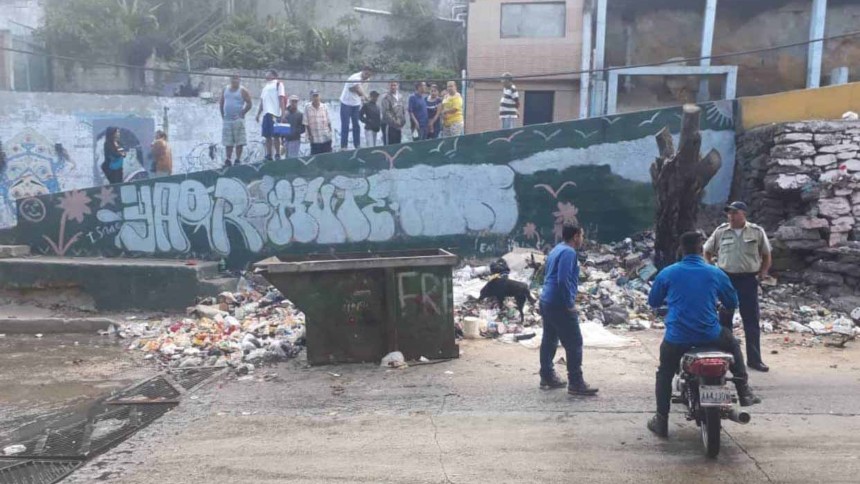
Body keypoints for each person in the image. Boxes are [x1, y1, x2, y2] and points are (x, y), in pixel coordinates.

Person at [647, 231, 760, 438]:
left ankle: (661, 420)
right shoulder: (715, 273)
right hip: (710, 334)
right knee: (732, 343)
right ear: (701, 251)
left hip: (677, 337)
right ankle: (744, 389)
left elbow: (653, 301)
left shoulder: (668, 273)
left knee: (664, 373)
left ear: (681, 250)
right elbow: (732, 302)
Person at [704, 201, 773, 373]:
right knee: (725, 319)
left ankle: (755, 360)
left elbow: (766, 254)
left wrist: (763, 272)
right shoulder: (721, 232)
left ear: (743, 214)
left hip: (748, 280)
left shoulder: (756, 232)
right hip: (726, 279)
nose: (731, 216)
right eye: (729, 213)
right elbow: (707, 250)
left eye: (735, 213)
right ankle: (725, 357)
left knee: (751, 319)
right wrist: (711, 269)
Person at [538, 224, 599, 396]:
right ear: (576, 236)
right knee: (574, 342)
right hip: (559, 303)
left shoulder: (557, 249)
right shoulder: (569, 253)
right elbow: (563, 279)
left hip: (547, 300)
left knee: (549, 338)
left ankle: (547, 375)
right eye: (582, 235)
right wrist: (568, 303)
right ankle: (576, 382)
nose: (583, 239)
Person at [220, 74, 253, 167]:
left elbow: (249, 104)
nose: (235, 81)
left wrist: (242, 113)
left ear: (239, 80)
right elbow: (221, 103)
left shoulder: (243, 90)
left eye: (237, 79)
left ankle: (238, 159)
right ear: (230, 80)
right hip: (227, 119)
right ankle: (228, 159)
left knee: (239, 141)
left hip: (238, 120)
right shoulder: (225, 89)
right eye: (233, 79)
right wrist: (223, 115)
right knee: (228, 141)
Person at [255, 70, 286, 161]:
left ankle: (278, 154)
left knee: (276, 136)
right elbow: (262, 102)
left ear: (273, 75)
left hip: (275, 113)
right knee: (267, 136)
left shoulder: (278, 84)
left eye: (267, 73)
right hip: (266, 114)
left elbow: (281, 99)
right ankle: (269, 154)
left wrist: (283, 114)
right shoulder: (265, 87)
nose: (266, 75)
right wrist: (258, 114)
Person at [340, 66, 372, 150]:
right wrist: (365, 97)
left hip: (356, 104)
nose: (366, 76)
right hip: (346, 104)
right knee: (345, 125)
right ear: (363, 71)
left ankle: (357, 145)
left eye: (369, 75)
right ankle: (344, 146)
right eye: (366, 74)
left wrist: (363, 99)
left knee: (356, 125)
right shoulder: (354, 78)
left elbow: (362, 91)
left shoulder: (368, 80)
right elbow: (357, 89)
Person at [304, 90, 333, 155]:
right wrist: (310, 136)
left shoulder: (324, 106)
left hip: (326, 138)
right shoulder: (307, 107)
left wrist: (330, 133)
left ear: (319, 97)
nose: (315, 98)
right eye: (314, 96)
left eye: (317, 96)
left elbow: (329, 121)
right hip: (315, 139)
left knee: (327, 157)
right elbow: (306, 123)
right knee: (316, 159)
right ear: (311, 97)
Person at [380, 81, 407, 145]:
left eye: (395, 85)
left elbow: (403, 110)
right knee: (389, 145)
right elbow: (386, 112)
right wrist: (395, 121)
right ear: (388, 86)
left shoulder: (401, 96)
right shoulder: (385, 97)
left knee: (398, 143)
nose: (393, 87)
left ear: (397, 86)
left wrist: (402, 122)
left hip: (398, 126)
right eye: (391, 85)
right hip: (388, 126)